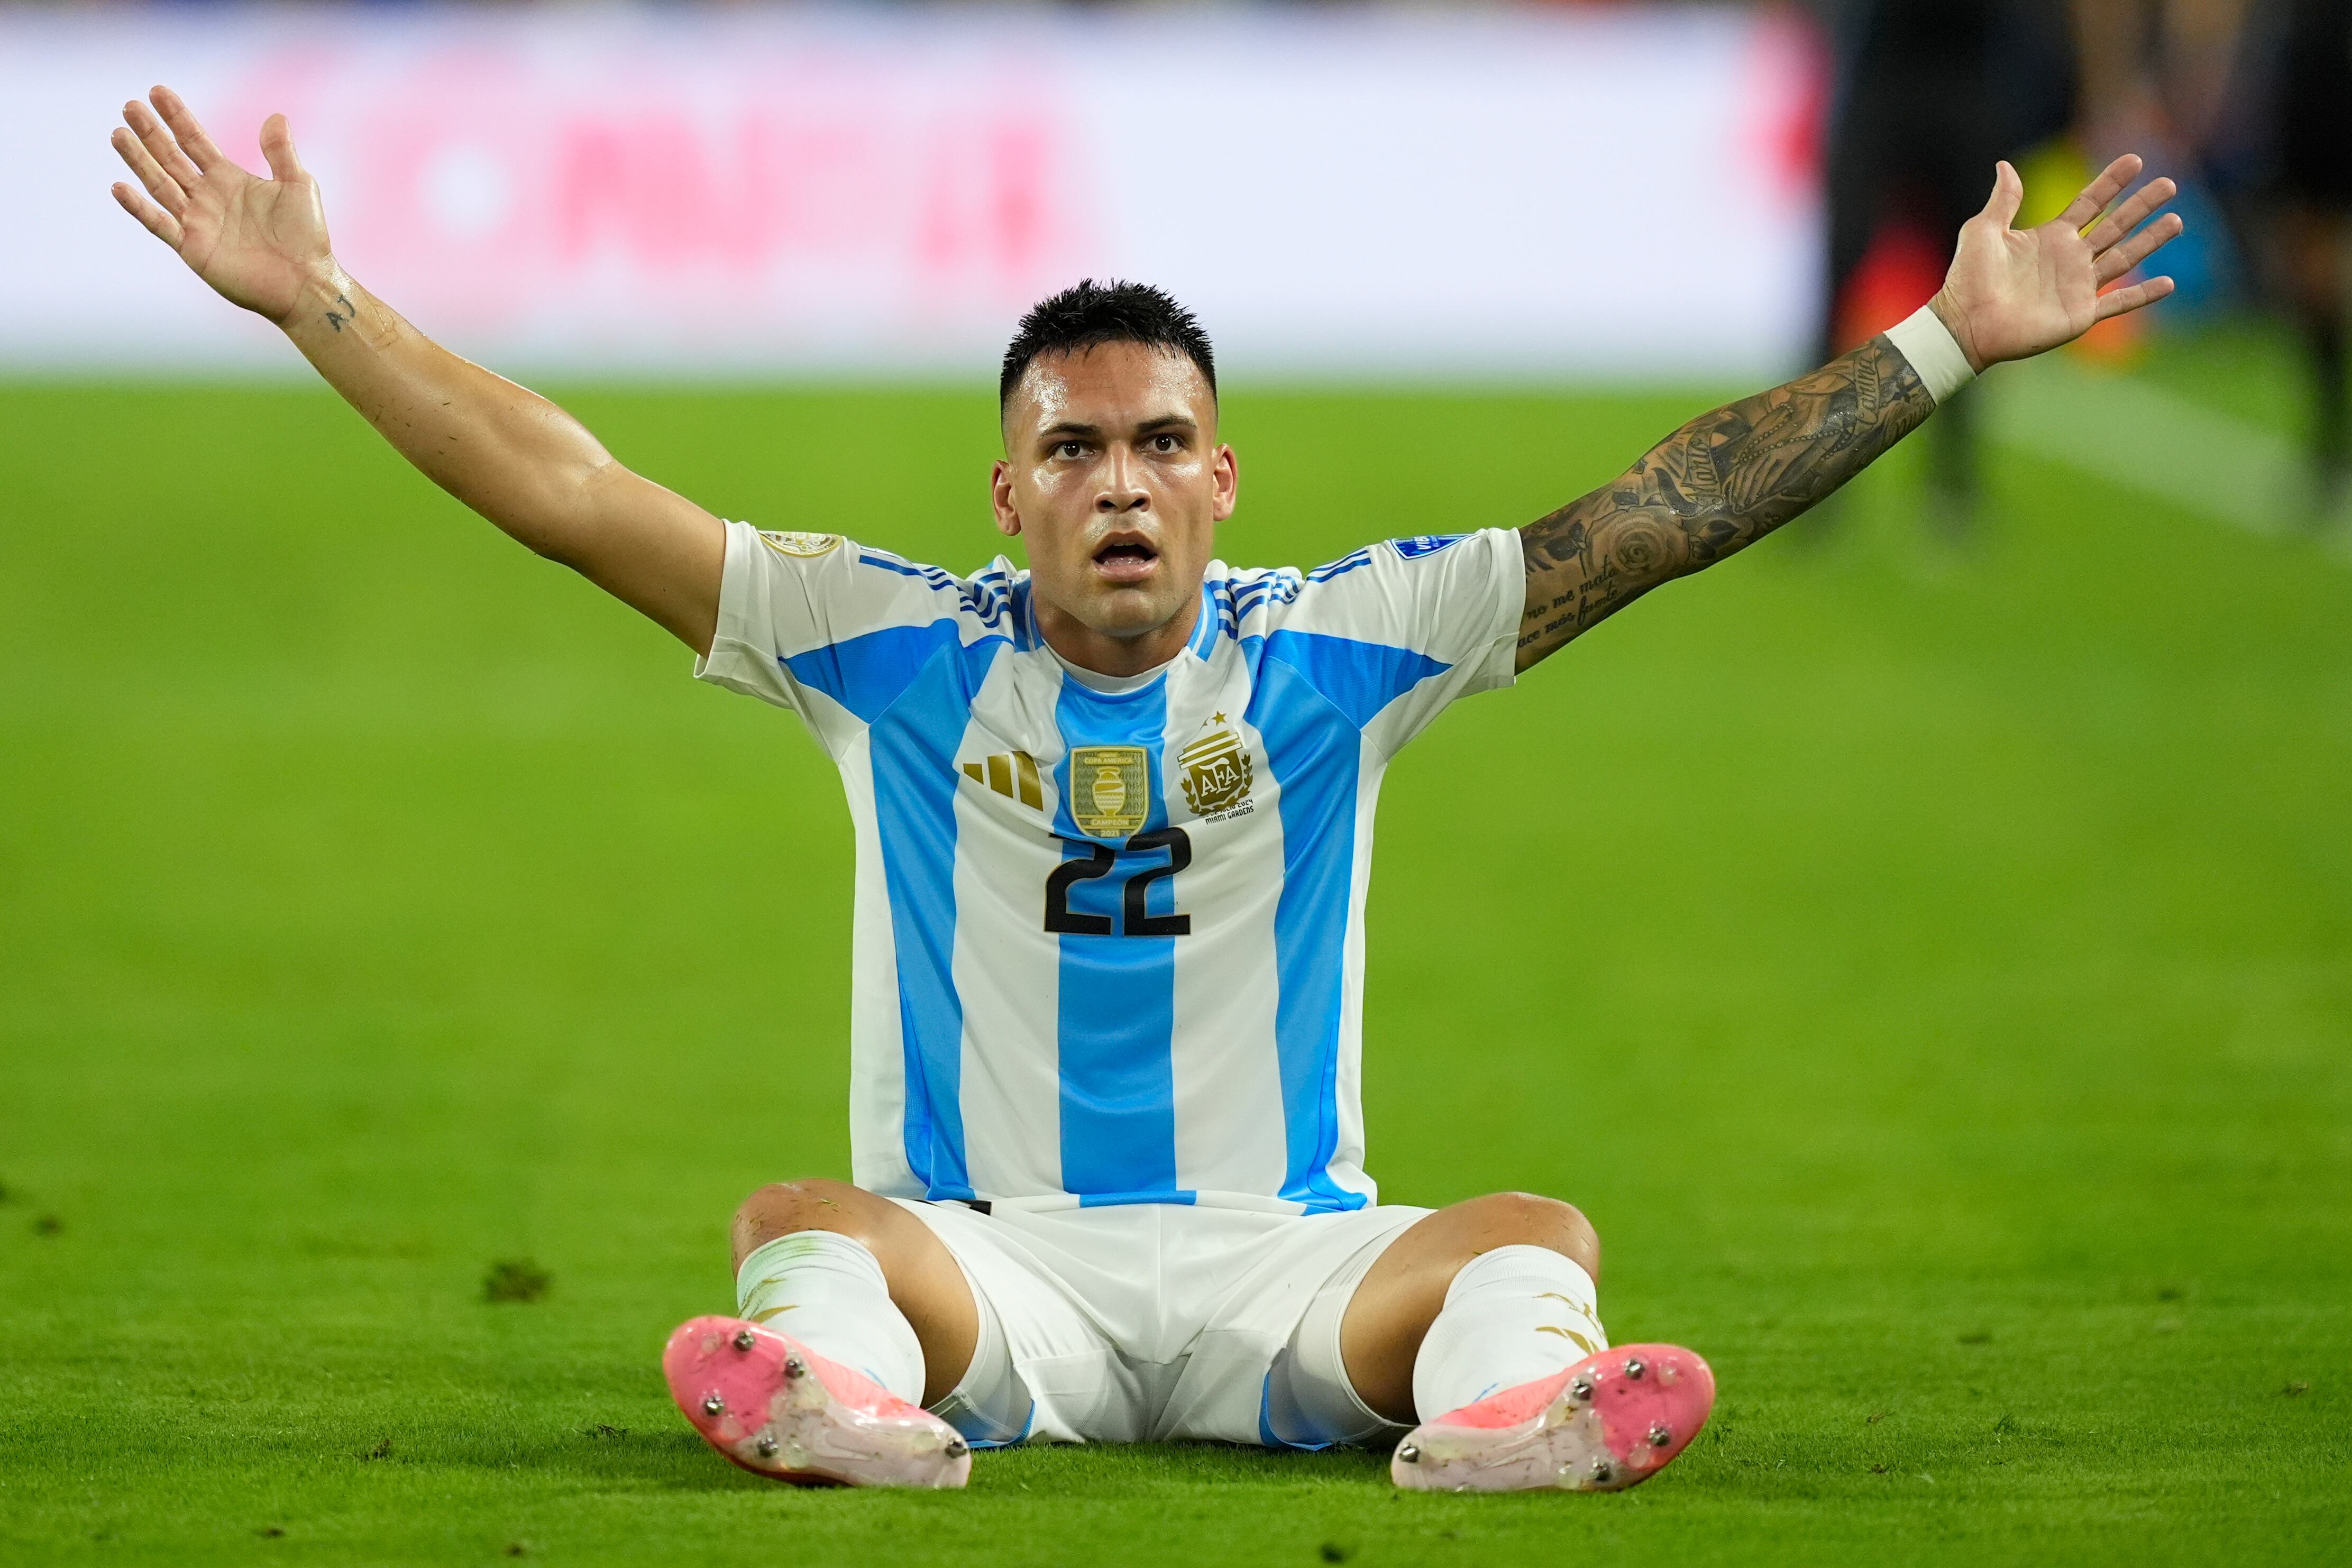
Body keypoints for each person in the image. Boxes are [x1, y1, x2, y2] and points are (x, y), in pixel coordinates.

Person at [106, 85, 2181, 1493]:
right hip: (990, 1266)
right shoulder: (885, 643)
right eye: (1075, 450)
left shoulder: (1346, 643)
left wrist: (1929, 350)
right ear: (1005, 491)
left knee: (1529, 1233)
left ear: (1219, 478)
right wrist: (327, 305)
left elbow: (1653, 515)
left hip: (1291, 1262)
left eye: (1157, 443)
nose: (1118, 483)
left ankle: (1505, 1418)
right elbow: (570, 493)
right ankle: (843, 1403)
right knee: (802, 1225)